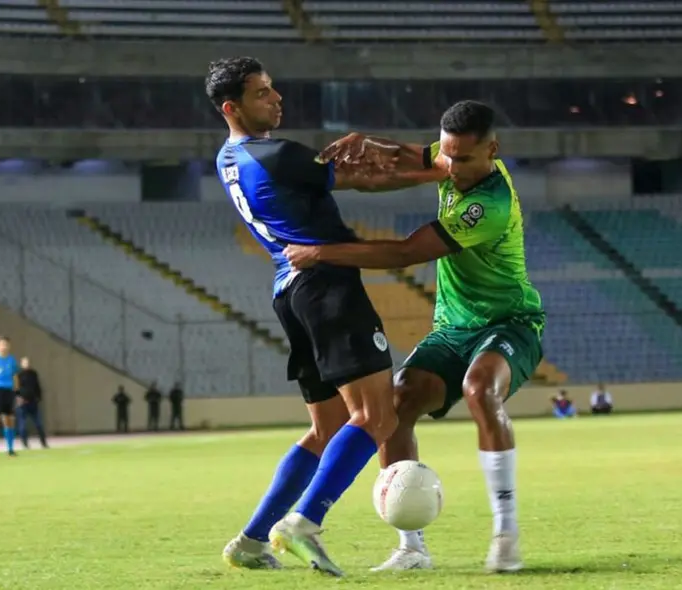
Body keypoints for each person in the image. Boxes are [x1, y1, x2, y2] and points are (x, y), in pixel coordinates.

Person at [284, 100, 545, 573]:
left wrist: (323, 252)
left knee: (480, 390)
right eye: (448, 155)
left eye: (463, 160)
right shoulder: (454, 158)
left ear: (493, 151)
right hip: (452, 327)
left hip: (510, 322)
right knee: (397, 405)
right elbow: (413, 159)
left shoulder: (488, 204)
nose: (453, 168)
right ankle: (411, 547)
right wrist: (369, 141)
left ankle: (506, 533)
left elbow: (406, 253)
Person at [208, 56, 430, 577]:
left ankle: (251, 539)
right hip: (326, 286)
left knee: (329, 429)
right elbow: (370, 178)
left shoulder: (229, 158)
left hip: (289, 291)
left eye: (273, 87)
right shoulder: (277, 154)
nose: (277, 97)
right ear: (231, 107)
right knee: (379, 416)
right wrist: (445, 168)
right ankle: (304, 521)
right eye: (263, 92)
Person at [16, 356, 48, 449]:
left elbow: (37, 386)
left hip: (33, 402)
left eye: (28, 362)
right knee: (22, 425)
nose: (27, 364)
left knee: (39, 424)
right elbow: (16, 388)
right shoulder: (18, 374)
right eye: (24, 362)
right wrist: (19, 398)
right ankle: (25, 444)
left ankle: (44, 443)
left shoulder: (34, 373)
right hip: (23, 403)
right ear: (21, 364)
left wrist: (39, 397)